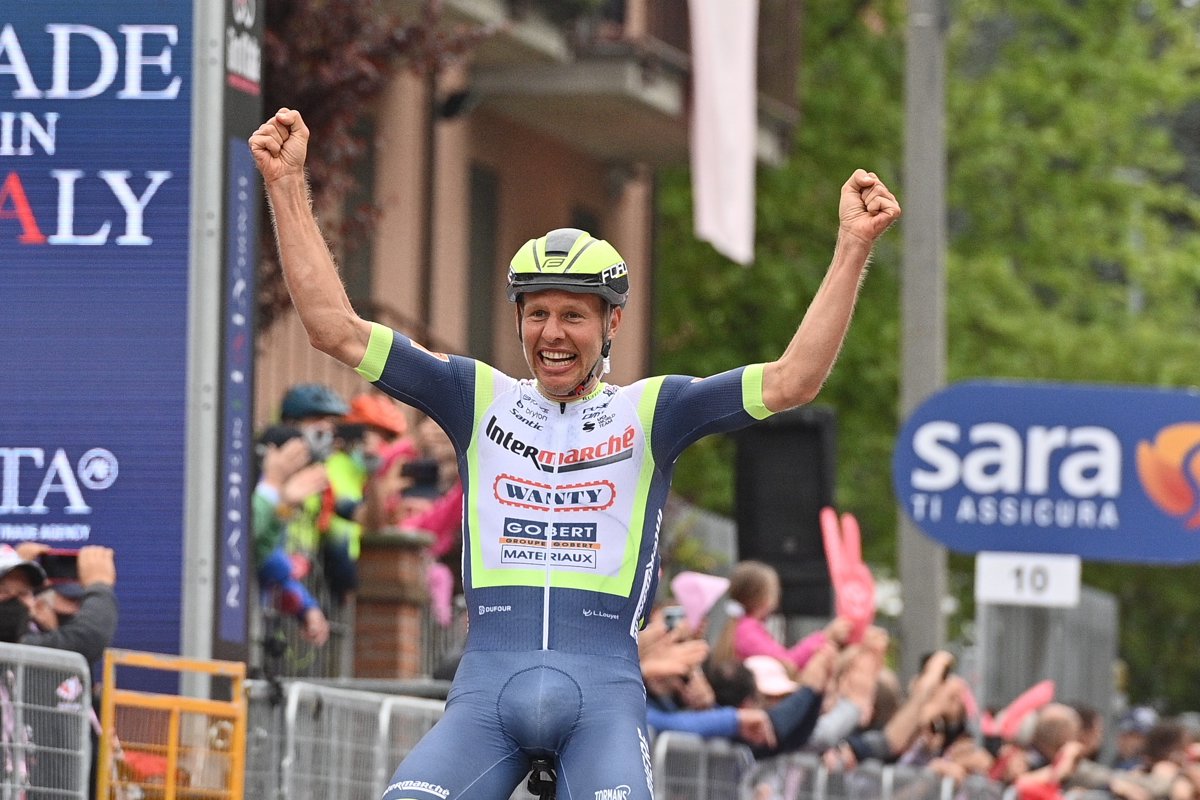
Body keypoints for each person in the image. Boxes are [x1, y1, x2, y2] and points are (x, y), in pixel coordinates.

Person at [250, 106, 900, 800]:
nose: (552, 333)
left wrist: (851, 246)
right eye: (537, 313)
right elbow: (334, 329)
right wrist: (286, 184)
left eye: (573, 315)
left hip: (601, 703)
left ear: (612, 321)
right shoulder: (475, 398)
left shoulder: (654, 411)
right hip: (486, 697)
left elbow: (793, 381)